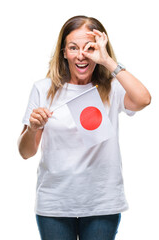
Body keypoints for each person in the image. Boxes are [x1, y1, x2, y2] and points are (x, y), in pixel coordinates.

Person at [18, 15, 151, 240]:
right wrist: (32, 128)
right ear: (63, 52)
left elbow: (143, 99)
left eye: (89, 48)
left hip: (101, 202)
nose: (81, 55)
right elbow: (25, 152)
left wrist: (108, 61)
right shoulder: (43, 89)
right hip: (55, 203)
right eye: (73, 47)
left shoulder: (113, 87)